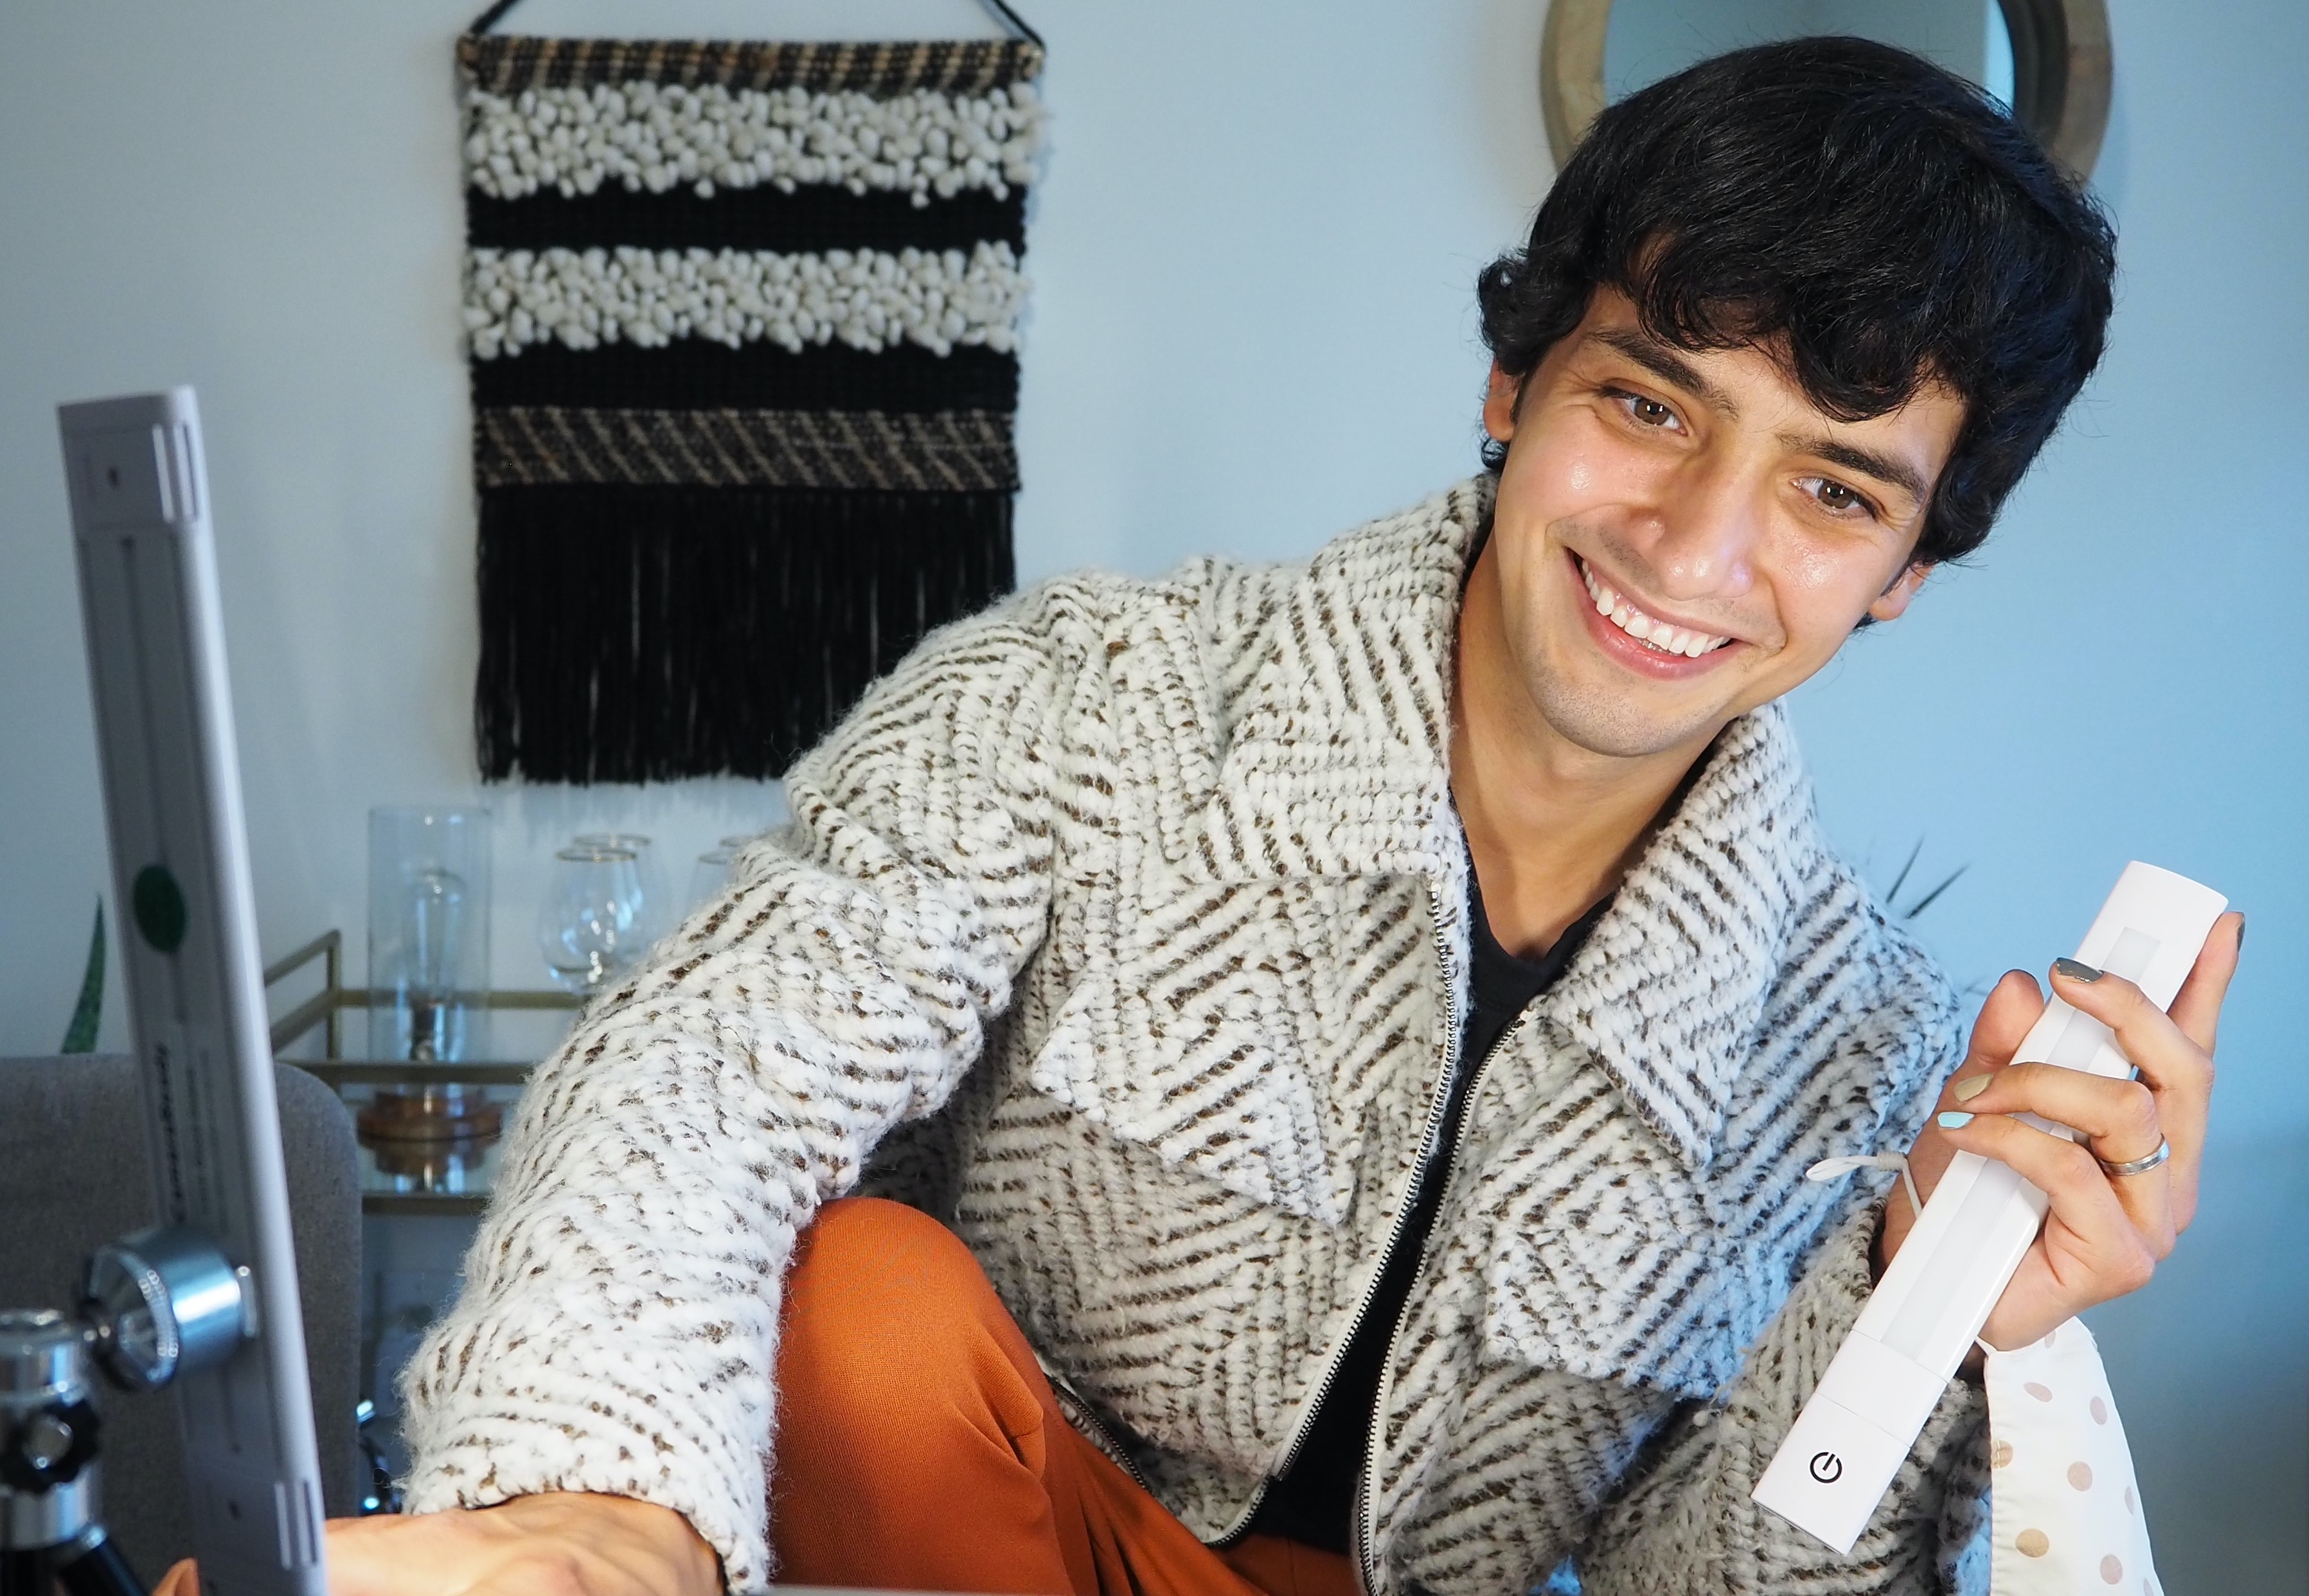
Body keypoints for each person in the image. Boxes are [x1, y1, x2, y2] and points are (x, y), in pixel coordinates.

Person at [217, 36, 2243, 1596]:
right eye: (1648, 402)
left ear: (1901, 572)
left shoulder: (1864, 1046)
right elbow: (705, 1078)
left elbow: (1695, 1577)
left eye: (1830, 488)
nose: (1695, 546)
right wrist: (596, 1510)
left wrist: (1927, 1309)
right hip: (993, 1541)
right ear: (1512, 386)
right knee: (860, 1305)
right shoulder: (1083, 701)